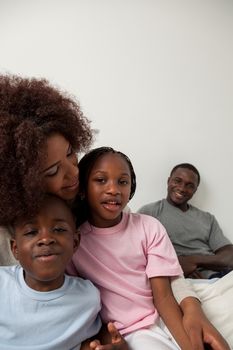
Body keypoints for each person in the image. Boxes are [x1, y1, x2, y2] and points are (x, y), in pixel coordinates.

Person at [0, 74, 229, 349]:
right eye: (52, 171)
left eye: (71, 153)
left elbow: (162, 279)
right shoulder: (14, 241)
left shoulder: (111, 209)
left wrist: (192, 306)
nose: (74, 173)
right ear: (23, 179)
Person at [66, 147, 230, 350]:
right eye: (101, 180)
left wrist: (189, 345)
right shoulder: (74, 244)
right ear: (82, 189)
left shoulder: (148, 226)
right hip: (131, 332)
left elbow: (163, 297)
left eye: (123, 182)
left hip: (162, 318)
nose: (113, 189)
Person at [0, 193, 128, 350]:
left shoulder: (88, 296)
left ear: (75, 242)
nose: (46, 239)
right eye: (31, 232)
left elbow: (94, 334)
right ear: (15, 249)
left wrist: (115, 344)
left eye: (59, 229)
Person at [138, 163, 233, 279]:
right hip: (190, 280)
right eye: (177, 181)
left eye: (189, 185)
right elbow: (137, 253)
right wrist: (176, 265)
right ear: (168, 181)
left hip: (225, 275)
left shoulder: (207, 218)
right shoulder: (150, 212)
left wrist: (192, 261)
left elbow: (229, 256)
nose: (182, 188)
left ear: (195, 190)